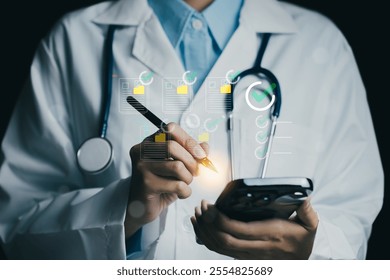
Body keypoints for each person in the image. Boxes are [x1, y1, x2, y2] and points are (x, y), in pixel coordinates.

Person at [0, 0, 383, 260]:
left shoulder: (321, 45)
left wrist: (310, 251)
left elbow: (352, 222)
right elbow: (15, 233)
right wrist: (127, 208)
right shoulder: (76, 39)